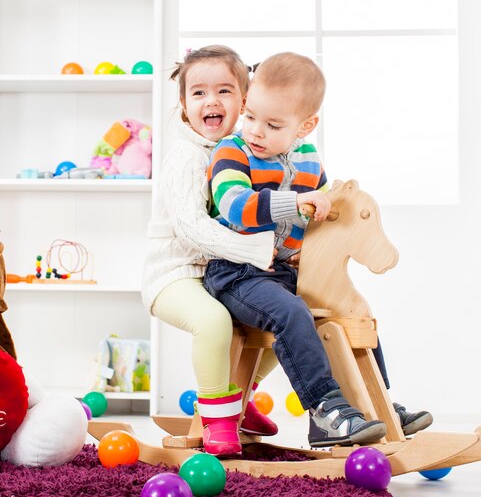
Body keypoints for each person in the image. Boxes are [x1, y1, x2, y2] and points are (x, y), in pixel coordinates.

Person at [204, 52, 389, 448]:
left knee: (350, 308)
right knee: (293, 313)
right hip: (237, 272)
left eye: (273, 125)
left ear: (306, 125)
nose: (255, 130)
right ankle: (324, 411)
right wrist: (297, 204)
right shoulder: (232, 152)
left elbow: (323, 214)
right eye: (250, 115)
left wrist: (313, 241)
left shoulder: (308, 160)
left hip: (287, 272)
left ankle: (378, 403)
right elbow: (234, 205)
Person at [141, 46, 282, 458]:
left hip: (221, 274)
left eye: (224, 90)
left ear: (245, 100)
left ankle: (239, 396)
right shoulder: (186, 158)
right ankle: (219, 422)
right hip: (175, 274)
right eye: (199, 93)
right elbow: (191, 230)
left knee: (282, 318)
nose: (212, 101)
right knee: (213, 322)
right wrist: (257, 248)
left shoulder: (248, 154)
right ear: (184, 106)